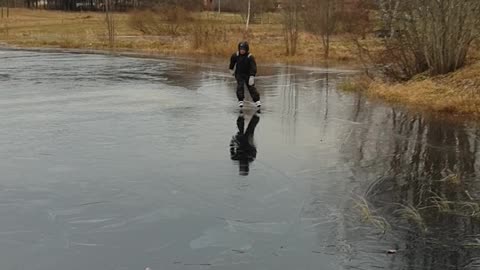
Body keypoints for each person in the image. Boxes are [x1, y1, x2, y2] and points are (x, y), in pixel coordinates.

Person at [229, 41, 261, 108]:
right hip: (239, 74)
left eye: (243, 50)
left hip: (248, 75)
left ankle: (257, 100)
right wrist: (231, 69)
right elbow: (232, 62)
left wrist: (252, 76)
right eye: (241, 49)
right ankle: (240, 100)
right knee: (240, 86)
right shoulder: (236, 55)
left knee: (251, 87)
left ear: (246, 49)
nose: (242, 51)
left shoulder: (250, 57)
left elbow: (253, 67)